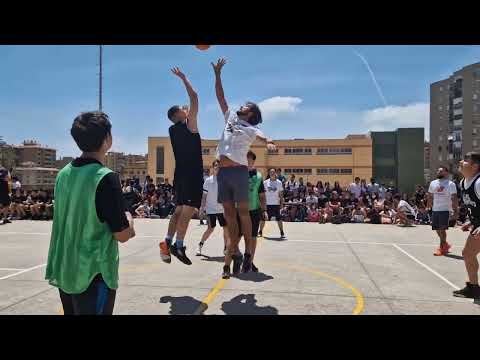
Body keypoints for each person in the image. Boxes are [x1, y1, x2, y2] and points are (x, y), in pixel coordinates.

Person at [45, 112, 136, 315]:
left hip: (66, 269)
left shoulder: (63, 175)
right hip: (93, 274)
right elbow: (122, 235)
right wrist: (130, 220)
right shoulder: (106, 178)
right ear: (107, 140)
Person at [212, 58, 276, 279]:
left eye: (246, 106)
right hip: (223, 172)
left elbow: (262, 135)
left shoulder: (251, 128)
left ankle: (249, 253)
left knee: (243, 212)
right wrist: (218, 74)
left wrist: (268, 142)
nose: (242, 106)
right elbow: (220, 97)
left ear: (251, 113)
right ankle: (236, 253)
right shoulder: (230, 116)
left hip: (239, 171)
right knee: (229, 215)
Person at [159, 67, 203, 266]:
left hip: (180, 174)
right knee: (188, 209)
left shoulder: (173, 128)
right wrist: (184, 78)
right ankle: (179, 244)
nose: (187, 110)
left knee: (178, 210)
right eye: (183, 110)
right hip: (192, 174)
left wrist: (184, 112)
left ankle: (167, 241)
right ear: (179, 114)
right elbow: (194, 98)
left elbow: (187, 109)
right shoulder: (189, 125)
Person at [236, 151, 267, 273]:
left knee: (253, 238)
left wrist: (264, 210)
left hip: (254, 211)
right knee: (236, 238)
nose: (247, 162)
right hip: (239, 210)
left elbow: (262, 195)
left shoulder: (258, 176)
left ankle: (249, 261)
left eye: (249, 160)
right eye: (245, 159)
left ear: (253, 161)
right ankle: (239, 257)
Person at [455, 152, 480, 299]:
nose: (461, 162)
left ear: (475, 166)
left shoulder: (478, 183)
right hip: (477, 225)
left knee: (468, 254)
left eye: (465, 160)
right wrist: (471, 221)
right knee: (468, 254)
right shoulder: (464, 182)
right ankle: (473, 288)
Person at [197, 160, 230, 257]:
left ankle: (225, 248)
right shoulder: (208, 180)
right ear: (213, 167)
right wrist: (202, 208)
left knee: (226, 228)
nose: (217, 167)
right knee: (210, 229)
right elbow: (204, 197)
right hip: (210, 209)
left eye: (219, 166)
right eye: (215, 165)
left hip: (222, 210)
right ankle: (200, 245)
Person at [427, 166, 459, 256]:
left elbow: (454, 197)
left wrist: (455, 210)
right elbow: (429, 195)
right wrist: (428, 205)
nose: (438, 172)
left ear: (446, 173)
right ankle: (445, 244)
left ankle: (442, 248)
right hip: (435, 209)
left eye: (441, 171)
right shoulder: (433, 183)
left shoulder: (450, 184)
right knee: (437, 229)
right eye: (438, 170)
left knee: (442, 229)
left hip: (445, 209)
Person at [260, 169, 286, 239]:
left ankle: (282, 232)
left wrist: (281, 203)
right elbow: (262, 194)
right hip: (267, 204)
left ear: (275, 173)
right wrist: (262, 203)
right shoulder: (265, 182)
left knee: (279, 219)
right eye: (270, 172)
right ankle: (260, 231)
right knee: (263, 219)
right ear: (269, 173)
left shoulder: (279, 183)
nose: (272, 173)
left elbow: (281, 194)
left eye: (273, 172)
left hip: (276, 204)